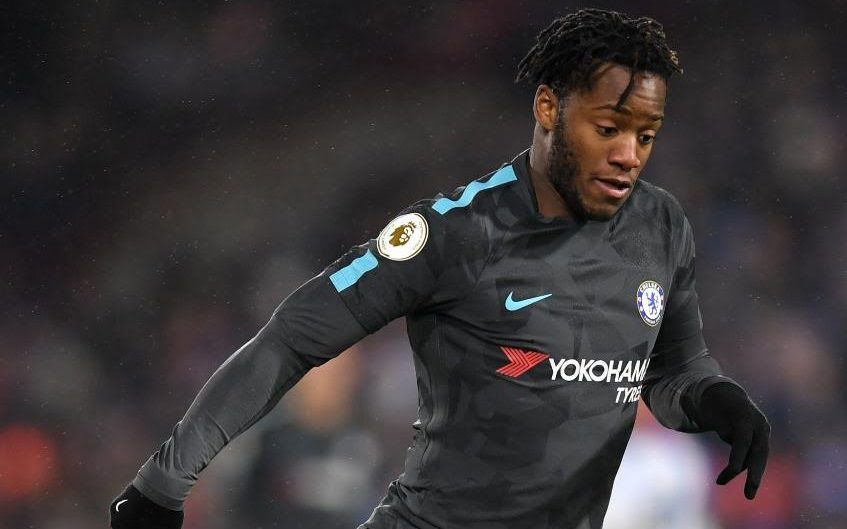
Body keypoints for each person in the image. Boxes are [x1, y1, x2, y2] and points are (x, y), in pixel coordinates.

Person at [109, 8, 770, 529]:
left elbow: (674, 369)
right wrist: (164, 481)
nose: (629, 154)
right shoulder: (455, 233)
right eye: (608, 128)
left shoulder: (660, 227)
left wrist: (714, 397)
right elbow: (291, 338)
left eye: (644, 135)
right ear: (548, 108)